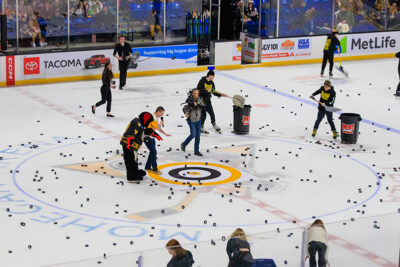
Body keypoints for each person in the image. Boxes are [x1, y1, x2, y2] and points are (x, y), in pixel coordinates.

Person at [120, 112, 161, 181]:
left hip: (133, 147)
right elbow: (130, 133)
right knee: (130, 160)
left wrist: (156, 135)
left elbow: (147, 131)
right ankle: (131, 176)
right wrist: (129, 145)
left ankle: (135, 172)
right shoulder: (136, 122)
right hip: (128, 145)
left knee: (134, 160)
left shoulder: (142, 125)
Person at [197, 69, 228, 134]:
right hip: (201, 100)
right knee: (204, 115)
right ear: (209, 75)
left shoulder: (211, 82)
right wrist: (206, 90)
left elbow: (213, 91)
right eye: (213, 76)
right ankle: (201, 127)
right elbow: (198, 90)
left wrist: (221, 95)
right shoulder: (202, 81)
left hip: (208, 100)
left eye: (213, 76)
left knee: (212, 113)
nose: (213, 77)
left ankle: (214, 125)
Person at [144, 106, 171, 174]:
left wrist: (165, 133)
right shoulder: (152, 118)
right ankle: (155, 169)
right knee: (153, 152)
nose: (162, 115)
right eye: (161, 113)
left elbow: (158, 128)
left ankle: (147, 167)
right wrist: (160, 124)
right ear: (158, 112)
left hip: (152, 137)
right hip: (147, 137)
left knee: (153, 152)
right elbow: (152, 129)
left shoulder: (156, 118)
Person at [181, 89, 205, 156]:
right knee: (193, 134)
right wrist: (186, 113)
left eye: (197, 93)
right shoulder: (188, 100)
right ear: (192, 93)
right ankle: (184, 144)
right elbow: (184, 107)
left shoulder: (200, 99)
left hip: (198, 120)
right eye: (194, 93)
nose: (196, 94)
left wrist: (196, 105)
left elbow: (203, 107)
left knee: (198, 136)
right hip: (191, 120)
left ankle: (196, 151)